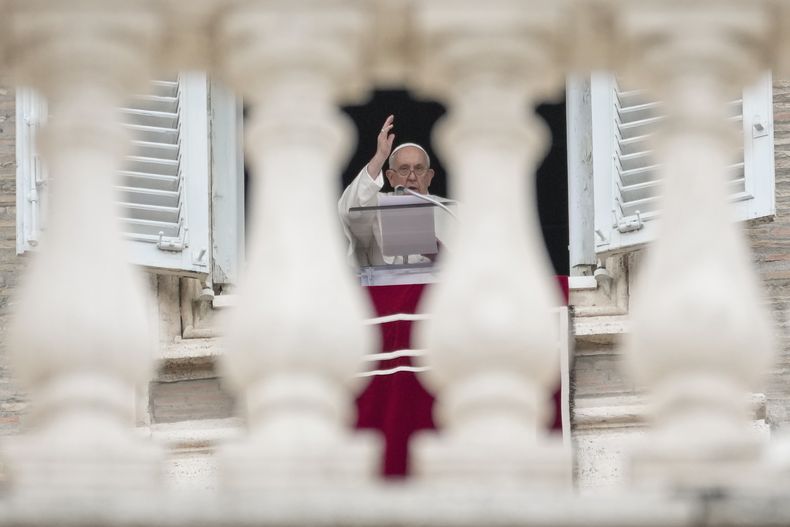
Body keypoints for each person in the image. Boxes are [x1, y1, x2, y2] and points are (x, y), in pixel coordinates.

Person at [338, 115, 445, 266]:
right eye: (404, 169)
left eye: (419, 169)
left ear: (429, 176)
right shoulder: (377, 205)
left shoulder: (451, 210)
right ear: (391, 177)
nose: (412, 177)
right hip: (388, 288)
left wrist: (443, 256)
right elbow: (350, 210)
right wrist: (380, 156)